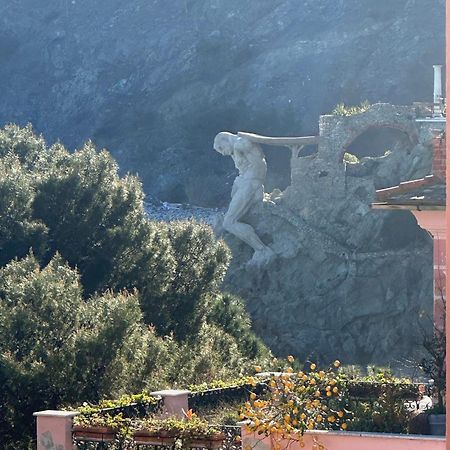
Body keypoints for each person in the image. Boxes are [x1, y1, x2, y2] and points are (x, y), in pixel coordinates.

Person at [214, 132, 274, 265]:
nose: (223, 153)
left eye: (221, 148)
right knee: (232, 202)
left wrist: (236, 146)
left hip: (250, 184)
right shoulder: (234, 149)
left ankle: (262, 250)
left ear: (225, 140)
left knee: (229, 222)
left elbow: (247, 146)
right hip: (246, 181)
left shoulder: (239, 143)